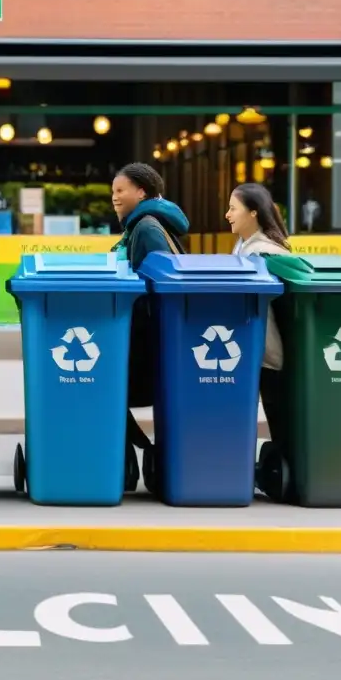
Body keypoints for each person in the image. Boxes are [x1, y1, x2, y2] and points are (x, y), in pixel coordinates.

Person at [111, 162, 190, 459]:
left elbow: (163, 281)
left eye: (121, 190)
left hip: (145, 336)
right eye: (113, 192)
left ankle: (138, 453)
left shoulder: (146, 227)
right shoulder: (140, 225)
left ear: (141, 192)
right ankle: (139, 452)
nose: (115, 197)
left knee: (103, 383)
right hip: (142, 332)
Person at [225, 182, 291, 455]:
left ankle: (285, 469)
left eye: (233, 208)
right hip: (255, 348)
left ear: (253, 213)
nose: (227, 214)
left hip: (267, 349)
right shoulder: (245, 247)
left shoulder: (264, 252)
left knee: (279, 417)